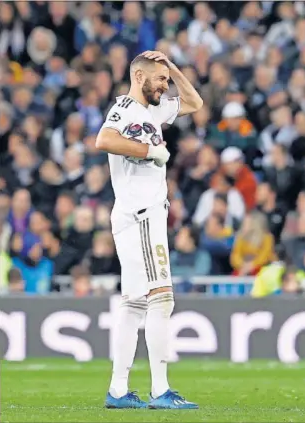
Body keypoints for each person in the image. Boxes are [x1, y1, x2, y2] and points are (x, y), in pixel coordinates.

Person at [96, 50, 202, 409]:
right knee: (162, 299)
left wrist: (171, 66)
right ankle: (160, 391)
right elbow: (104, 140)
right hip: (142, 215)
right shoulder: (125, 109)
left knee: (134, 302)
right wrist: (147, 151)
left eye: (166, 79)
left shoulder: (153, 110)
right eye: (159, 79)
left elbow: (194, 101)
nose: (165, 85)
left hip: (136, 214)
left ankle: (118, 390)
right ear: (139, 77)